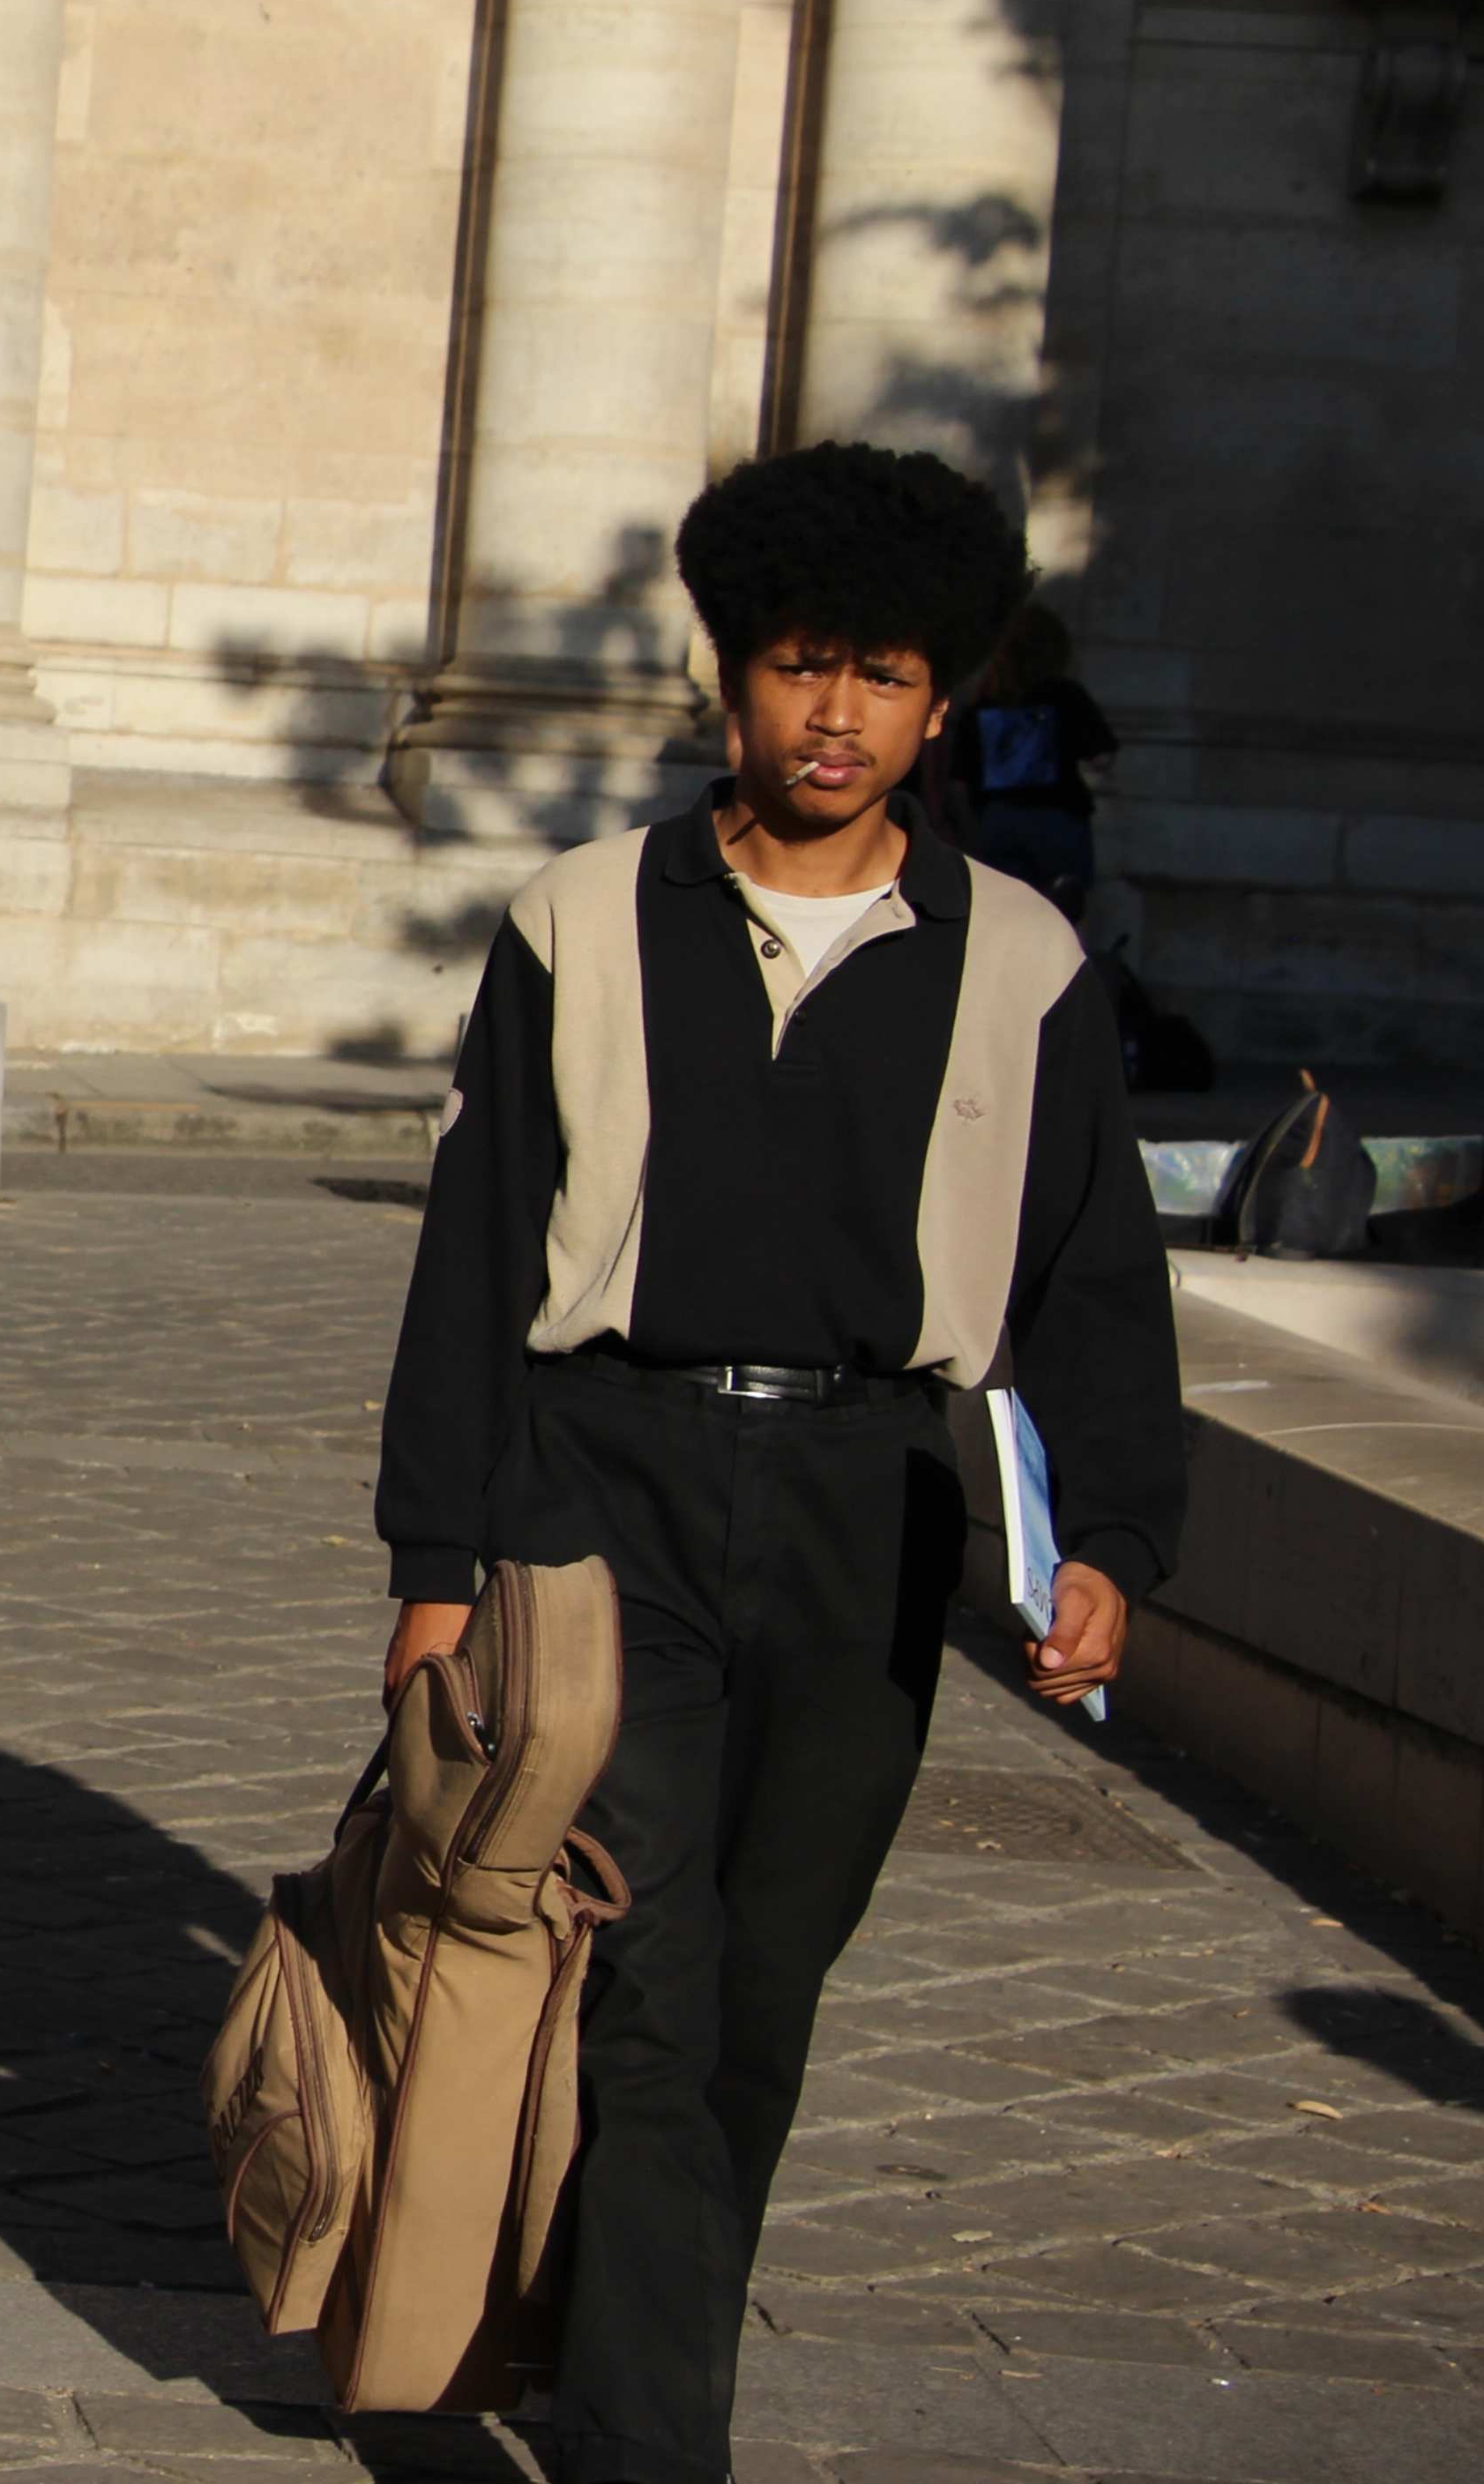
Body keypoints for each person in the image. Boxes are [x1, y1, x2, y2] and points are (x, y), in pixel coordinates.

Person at [372, 440, 1185, 2484]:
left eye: (884, 674)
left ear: (940, 705)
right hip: (602, 1487)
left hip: (870, 1507)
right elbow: (474, 1256)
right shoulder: (572, 918)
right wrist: (435, 1554)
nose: (835, 713)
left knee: (760, 1991)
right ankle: (654, 2443)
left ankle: (619, 2338)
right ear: (725, 683)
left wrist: (1108, 1539)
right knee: (646, 1961)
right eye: (798, 666)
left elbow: (1092, 1268)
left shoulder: (1018, 957)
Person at [966, 599, 1117, 921]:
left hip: (998, 819)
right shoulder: (1066, 695)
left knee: (998, 916)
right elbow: (1102, 755)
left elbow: (959, 778)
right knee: (1059, 919)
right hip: (1056, 819)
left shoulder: (985, 701)